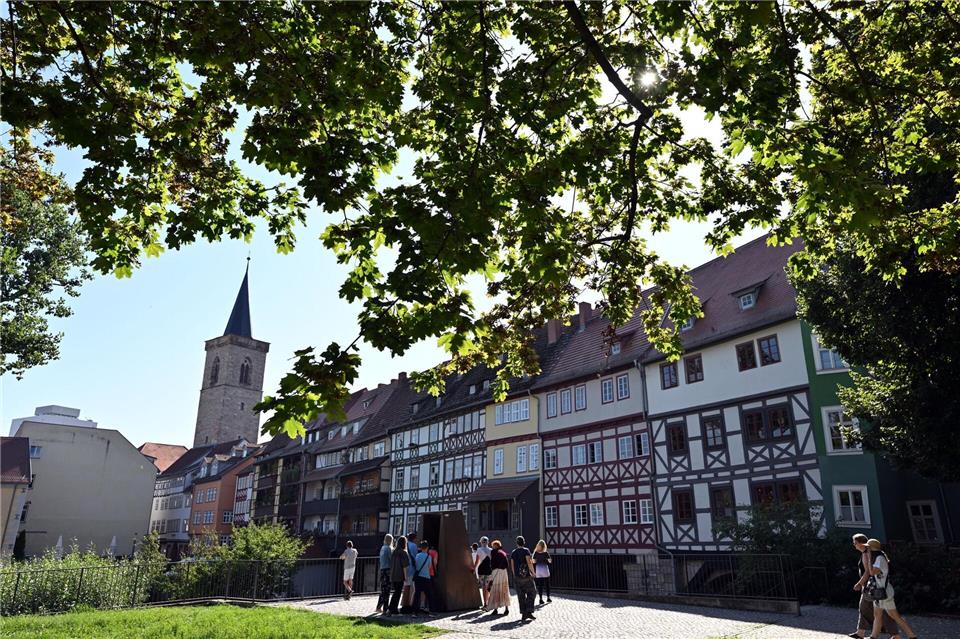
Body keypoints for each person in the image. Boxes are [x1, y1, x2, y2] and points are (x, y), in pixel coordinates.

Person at [866, 539, 918, 639]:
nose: (866, 550)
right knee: (877, 614)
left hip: (884, 592)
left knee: (895, 616)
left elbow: (872, 572)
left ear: (872, 548)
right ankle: (873, 636)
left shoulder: (880, 559)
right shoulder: (877, 558)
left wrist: (868, 558)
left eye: (868, 548)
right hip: (879, 593)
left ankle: (912, 636)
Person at [850, 533, 898, 638]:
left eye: (855, 543)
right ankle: (861, 632)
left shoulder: (867, 553)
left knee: (882, 611)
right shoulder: (867, 553)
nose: (854, 545)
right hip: (871, 586)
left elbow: (868, 572)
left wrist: (859, 584)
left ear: (862, 543)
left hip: (873, 587)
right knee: (866, 608)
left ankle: (893, 634)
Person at [510, 535, 537, 622]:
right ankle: (529, 611)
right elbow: (529, 562)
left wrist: (514, 575)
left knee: (521, 596)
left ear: (516, 543)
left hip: (518, 577)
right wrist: (533, 572)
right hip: (527, 577)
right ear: (524, 542)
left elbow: (512, 565)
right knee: (532, 592)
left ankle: (523, 613)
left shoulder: (513, 552)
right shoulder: (526, 550)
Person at [485, 539, 511, 615]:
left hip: (496, 571)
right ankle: (506, 609)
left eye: (493, 545)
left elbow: (492, 563)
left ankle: (495, 609)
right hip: (504, 572)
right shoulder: (503, 553)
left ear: (495, 546)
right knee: (504, 589)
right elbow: (506, 564)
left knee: (495, 590)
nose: (492, 547)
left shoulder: (493, 552)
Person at [412, 540, 436, 616]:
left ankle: (414, 612)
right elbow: (429, 567)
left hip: (418, 578)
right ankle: (431, 612)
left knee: (417, 594)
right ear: (427, 548)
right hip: (426, 577)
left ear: (421, 548)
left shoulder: (417, 556)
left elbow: (416, 565)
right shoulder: (429, 557)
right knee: (429, 595)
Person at [387, 535, 410, 615]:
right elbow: (405, 566)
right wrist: (406, 577)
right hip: (400, 575)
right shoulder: (404, 553)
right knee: (398, 593)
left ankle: (391, 608)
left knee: (395, 592)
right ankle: (393, 609)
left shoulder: (394, 551)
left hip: (393, 574)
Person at [376, 534, 394, 613]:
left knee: (383, 590)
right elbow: (391, 559)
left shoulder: (382, 548)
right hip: (388, 571)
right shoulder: (389, 549)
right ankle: (384, 608)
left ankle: (380, 607)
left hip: (382, 569)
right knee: (387, 590)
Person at [474, 536, 493, 609]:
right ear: (488, 542)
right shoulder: (491, 550)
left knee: (483, 587)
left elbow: (477, 561)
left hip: (481, 570)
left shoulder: (479, 550)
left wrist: (474, 568)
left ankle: (485, 603)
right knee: (488, 587)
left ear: (481, 542)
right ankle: (488, 603)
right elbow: (492, 561)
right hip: (489, 570)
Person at [533, 539, 552, 604]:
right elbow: (550, 561)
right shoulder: (546, 553)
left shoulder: (535, 553)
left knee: (540, 585)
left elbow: (533, 561)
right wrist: (546, 559)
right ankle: (548, 597)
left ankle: (540, 599)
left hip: (538, 569)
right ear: (544, 546)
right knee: (547, 584)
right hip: (545, 569)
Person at [404, 532, 419, 610]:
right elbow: (416, 557)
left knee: (406, 586)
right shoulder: (414, 546)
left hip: (405, 568)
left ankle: (404, 603)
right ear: (414, 538)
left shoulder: (405, 544)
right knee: (412, 588)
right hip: (412, 568)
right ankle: (410, 603)